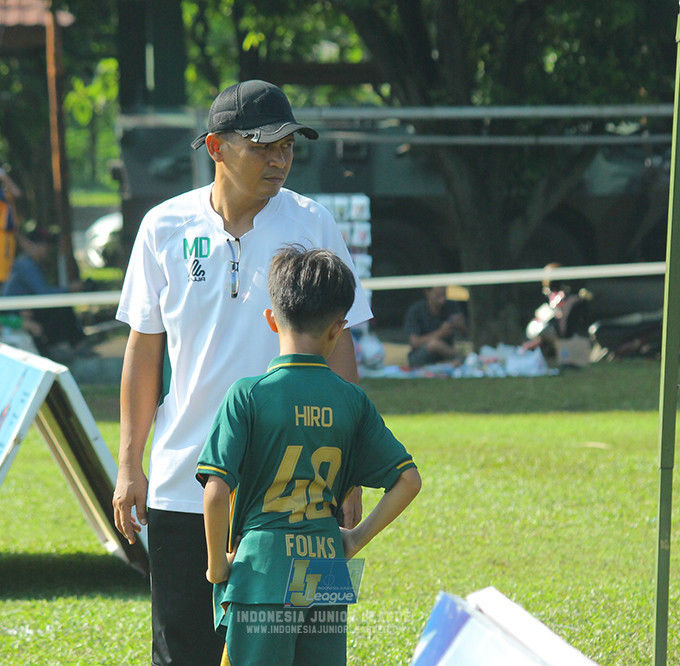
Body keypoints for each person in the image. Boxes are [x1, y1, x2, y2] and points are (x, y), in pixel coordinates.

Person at [111, 79, 373, 666]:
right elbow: (143, 351)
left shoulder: (313, 223)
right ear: (216, 147)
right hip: (183, 483)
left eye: (288, 146)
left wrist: (349, 467)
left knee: (291, 655)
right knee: (184, 651)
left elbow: (339, 345)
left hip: (292, 493)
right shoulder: (163, 227)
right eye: (262, 146)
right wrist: (130, 464)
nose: (279, 159)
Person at [197, 246, 421, 665]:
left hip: (263, 568)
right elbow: (408, 480)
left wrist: (216, 568)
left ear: (271, 319)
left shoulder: (248, 395)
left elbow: (215, 493)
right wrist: (353, 538)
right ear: (338, 329)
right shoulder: (352, 400)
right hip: (325, 567)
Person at [0, 227, 86, 361]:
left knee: (59, 307)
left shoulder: (31, 264)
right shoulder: (26, 265)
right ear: (31, 245)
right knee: (61, 307)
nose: (47, 249)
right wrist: (70, 289)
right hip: (11, 315)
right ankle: (64, 348)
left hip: (22, 311)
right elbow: (44, 294)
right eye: (44, 245)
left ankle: (69, 348)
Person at [404, 286, 468, 367]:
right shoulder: (416, 311)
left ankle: (450, 363)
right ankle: (462, 357)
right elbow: (415, 343)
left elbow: (465, 333)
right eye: (438, 296)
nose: (442, 300)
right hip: (421, 355)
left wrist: (460, 325)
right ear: (427, 292)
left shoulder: (451, 306)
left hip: (445, 354)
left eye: (444, 295)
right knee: (434, 344)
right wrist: (441, 333)